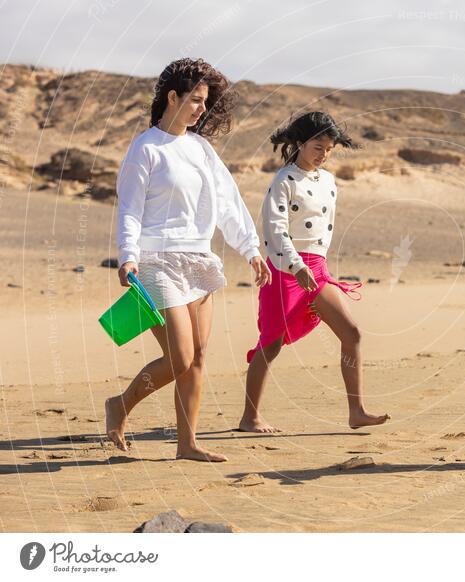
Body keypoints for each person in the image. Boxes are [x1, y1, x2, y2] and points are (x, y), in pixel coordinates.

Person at [106, 58, 269, 462]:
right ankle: (120, 405)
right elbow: (129, 208)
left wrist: (250, 249)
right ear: (172, 97)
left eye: (205, 102)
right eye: (195, 100)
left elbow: (228, 202)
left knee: (197, 357)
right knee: (179, 357)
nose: (200, 109)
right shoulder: (145, 148)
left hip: (199, 259)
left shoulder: (201, 148)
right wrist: (127, 256)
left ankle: (187, 443)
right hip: (157, 260)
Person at [239, 111, 389, 433]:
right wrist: (296, 265)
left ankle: (357, 411)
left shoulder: (329, 181)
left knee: (352, 334)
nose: (323, 155)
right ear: (300, 143)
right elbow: (274, 231)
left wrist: (311, 266)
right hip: (284, 269)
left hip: (317, 268)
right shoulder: (283, 181)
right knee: (271, 344)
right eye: (318, 147)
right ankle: (249, 417)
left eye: (329, 149)